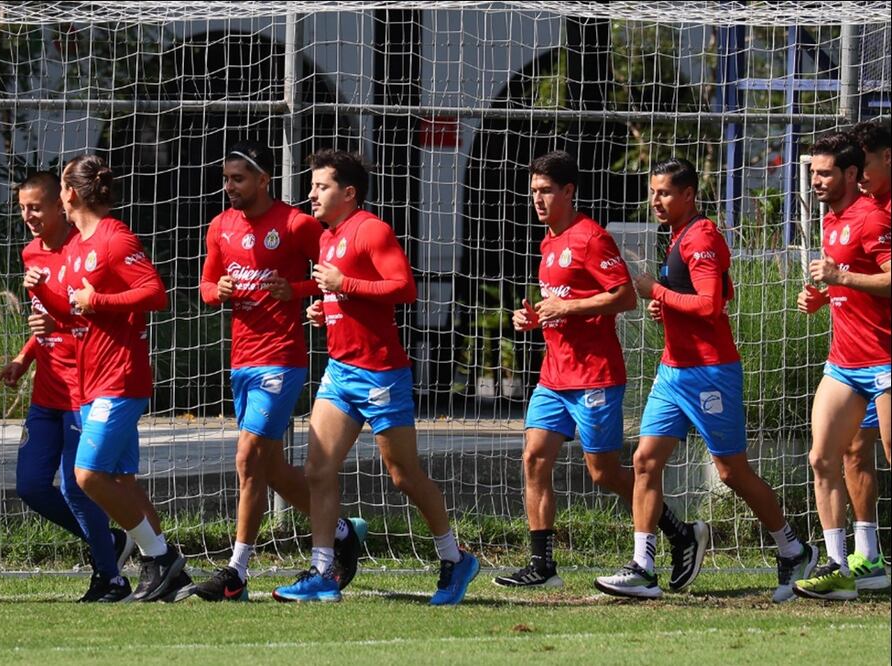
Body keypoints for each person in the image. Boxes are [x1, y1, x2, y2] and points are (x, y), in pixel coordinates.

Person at [594, 158, 816, 602]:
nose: (656, 200)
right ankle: (642, 566)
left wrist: (654, 292)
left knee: (731, 472)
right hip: (673, 370)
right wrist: (666, 305)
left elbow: (711, 304)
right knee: (644, 461)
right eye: (653, 192)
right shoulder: (676, 235)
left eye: (665, 193)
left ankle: (794, 550)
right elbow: (712, 294)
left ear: (689, 194)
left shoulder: (702, 237)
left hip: (711, 372)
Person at [272, 149, 477, 605]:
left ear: (348, 192)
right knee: (317, 469)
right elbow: (346, 295)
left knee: (403, 475)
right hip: (340, 370)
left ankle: (454, 557)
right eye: (312, 185)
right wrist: (325, 309)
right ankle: (323, 572)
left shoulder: (372, 230)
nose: (312, 193)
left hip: (382, 373)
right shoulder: (328, 238)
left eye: (321, 186)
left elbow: (403, 287)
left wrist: (345, 287)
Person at [495, 151, 707, 592]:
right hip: (554, 376)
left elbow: (624, 297)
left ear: (569, 192)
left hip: (594, 375)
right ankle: (542, 564)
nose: (537, 199)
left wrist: (567, 306)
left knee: (604, 472)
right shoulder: (548, 242)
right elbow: (560, 305)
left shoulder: (591, 238)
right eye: (533, 191)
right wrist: (537, 319)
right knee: (534, 457)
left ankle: (679, 531)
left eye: (546, 191)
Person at [196, 142, 367, 602]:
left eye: (239, 179)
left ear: (264, 180)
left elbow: (332, 270)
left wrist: (295, 289)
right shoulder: (221, 226)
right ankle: (341, 531)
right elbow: (206, 285)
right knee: (267, 467)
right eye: (226, 178)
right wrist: (220, 291)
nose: (229, 187)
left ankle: (236, 572)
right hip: (242, 360)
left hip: (282, 358)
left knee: (247, 457)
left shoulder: (295, 224)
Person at [24, 154, 192, 603]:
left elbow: (155, 293)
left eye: (60, 188)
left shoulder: (115, 238)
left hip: (120, 377)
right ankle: (169, 575)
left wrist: (98, 300)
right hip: (88, 380)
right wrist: (41, 290)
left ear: (71, 194)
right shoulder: (76, 247)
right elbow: (70, 311)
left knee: (87, 476)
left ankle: (158, 556)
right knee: (120, 483)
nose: (59, 196)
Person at [0, 171, 134, 602]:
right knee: (31, 486)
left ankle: (111, 576)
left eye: (36, 207)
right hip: (46, 390)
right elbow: (47, 322)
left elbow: (86, 320)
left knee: (78, 485)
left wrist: (58, 322)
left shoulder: (85, 250)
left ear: (61, 205)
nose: (28, 216)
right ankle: (107, 542)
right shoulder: (31, 253)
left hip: (83, 389)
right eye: (22, 208)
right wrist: (23, 357)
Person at [793, 133, 890, 601]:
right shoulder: (831, 222)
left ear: (851, 175)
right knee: (821, 457)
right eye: (814, 173)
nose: (816, 181)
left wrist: (839, 277)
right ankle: (839, 568)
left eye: (826, 173)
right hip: (845, 364)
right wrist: (823, 296)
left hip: (886, 361)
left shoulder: (872, 219)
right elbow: (851, 287)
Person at [837, 120, 891, 590]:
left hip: (887, 355)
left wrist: (844, 279)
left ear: (887, 157)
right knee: (854, 450)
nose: (859, 176)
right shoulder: (863, 210)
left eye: (865, 164)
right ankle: (867, 557)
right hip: (860, 354)